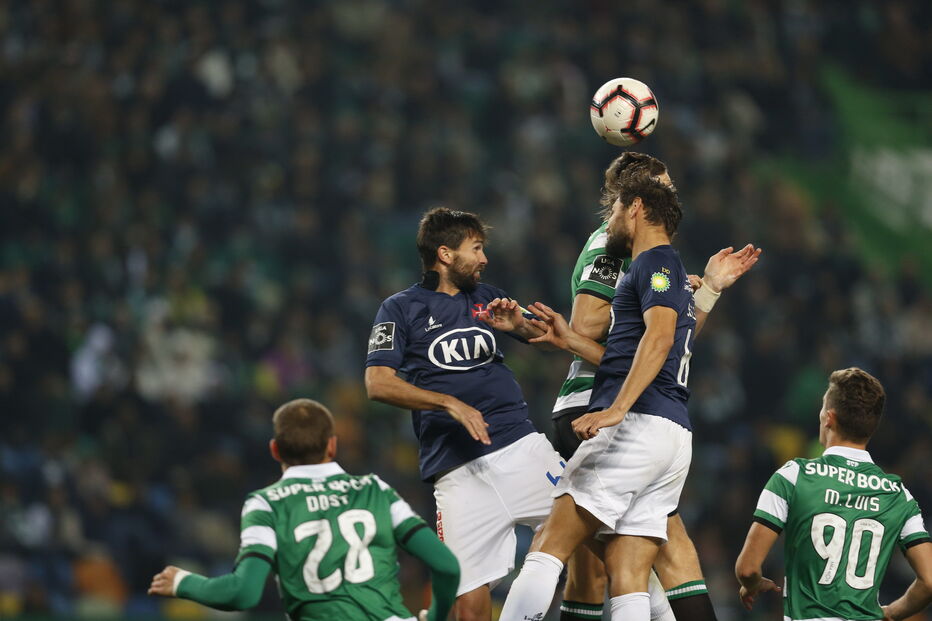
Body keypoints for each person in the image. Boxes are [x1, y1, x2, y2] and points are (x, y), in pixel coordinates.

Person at [499, 175, 750, 621]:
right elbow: (651, 348)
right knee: (628, 569)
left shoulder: (655, 263)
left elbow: (657, 340)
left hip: (636, 422)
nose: (608, 220)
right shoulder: (667, 271)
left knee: (549, 543)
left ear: (634, 206)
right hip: (671, 434)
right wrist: (569, 341)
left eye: (614, 209)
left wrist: (615, 409)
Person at [364, 207, 566, 621]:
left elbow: (548, 341)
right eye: (476, 248)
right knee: (468, 604)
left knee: (593, 533)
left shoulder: (488, 296)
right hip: (456, 471)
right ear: (445, 254)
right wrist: (448, 402)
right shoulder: (400, 308)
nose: (484, 258)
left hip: (521, 448)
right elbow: (377, 383)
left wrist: (518, 327)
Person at [148, 398, 460, 621]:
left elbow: (242, 593)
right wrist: (434, 616)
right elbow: (447, 566)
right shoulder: (375, 489)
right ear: (332, 445)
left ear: (275, 450)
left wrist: (182, 582)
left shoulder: (267, 503)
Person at [735, 368, 932, 620]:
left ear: (828, 418)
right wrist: (891, 612)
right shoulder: (898, 494)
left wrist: (751, 585)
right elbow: (929, 582)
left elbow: (748, 568)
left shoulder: (794, 476)